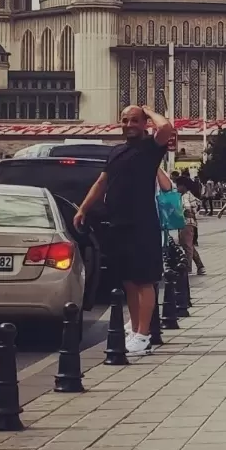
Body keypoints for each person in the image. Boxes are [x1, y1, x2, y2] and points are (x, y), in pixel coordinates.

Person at [75, 104, 175, 356]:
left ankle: (144, 335)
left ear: (143, 124)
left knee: (144, 279)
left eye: (134, 120)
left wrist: (148, 110)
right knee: (128, 280)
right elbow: (102, 182)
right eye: (125, 120)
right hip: (118, 223)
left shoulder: (151, 148)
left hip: (143, 224)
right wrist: (83, 209)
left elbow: (166, 127)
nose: (129, 125)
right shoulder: (117, 151)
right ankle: (135, 329)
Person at [177, 179, 205, 275]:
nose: (177, 188)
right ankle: (200, 266)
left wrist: (180, 213)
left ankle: (188, 268)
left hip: (186, 223)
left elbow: (187, 209)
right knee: (189, 245)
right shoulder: (190, 195)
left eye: (178, 186)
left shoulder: (185, 196)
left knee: (187, 246)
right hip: (191, 223)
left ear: (183, 186)